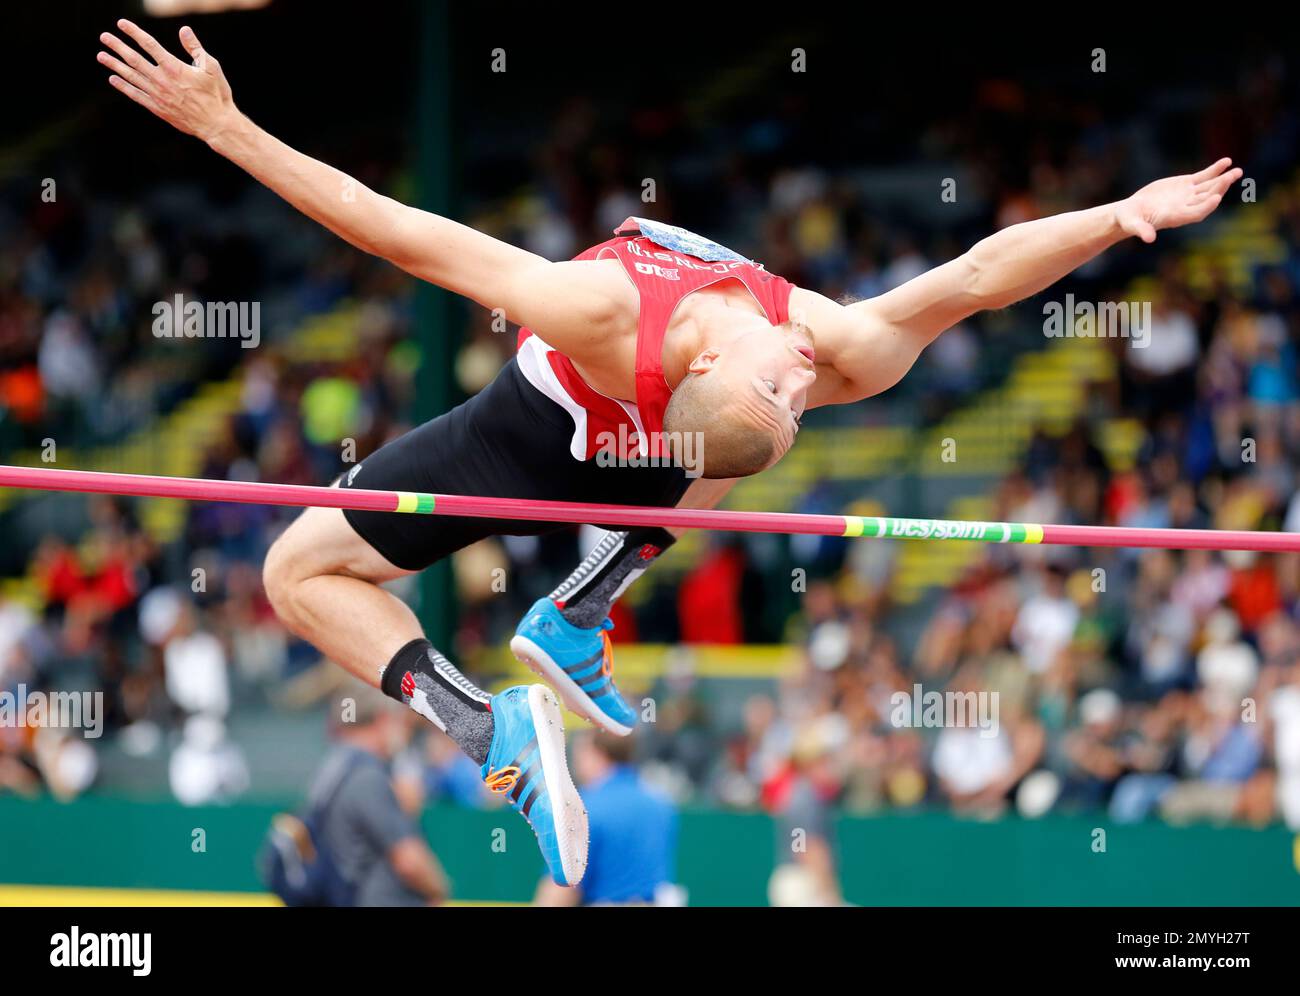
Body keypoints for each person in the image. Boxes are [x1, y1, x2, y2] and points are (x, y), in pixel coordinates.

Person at [96, 18, 1242, 886]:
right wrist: (224, 126)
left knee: (310, 569)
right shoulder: (596, 307)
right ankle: (520, 683)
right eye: (787, 389)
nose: (803, 385)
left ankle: (560, 630)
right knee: (297, 574)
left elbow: (984, 275)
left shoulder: (820, 348)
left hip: (610, 454)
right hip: (538, 429)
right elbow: (402, 232)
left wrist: (1117, 218)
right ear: (704, 372)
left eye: (794, 398)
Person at [306, 682, 449, 906]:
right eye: (401, 722)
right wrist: (439, 888)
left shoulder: (335, 768)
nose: (404, 732)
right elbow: (409, 861)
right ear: (383, 719)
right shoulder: (368, 777)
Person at [534, 731, 679, 906]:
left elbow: (561, 891)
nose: (575, 761)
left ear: (597, 753)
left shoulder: (583, 808)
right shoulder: (661, 804)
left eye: (580, 752)